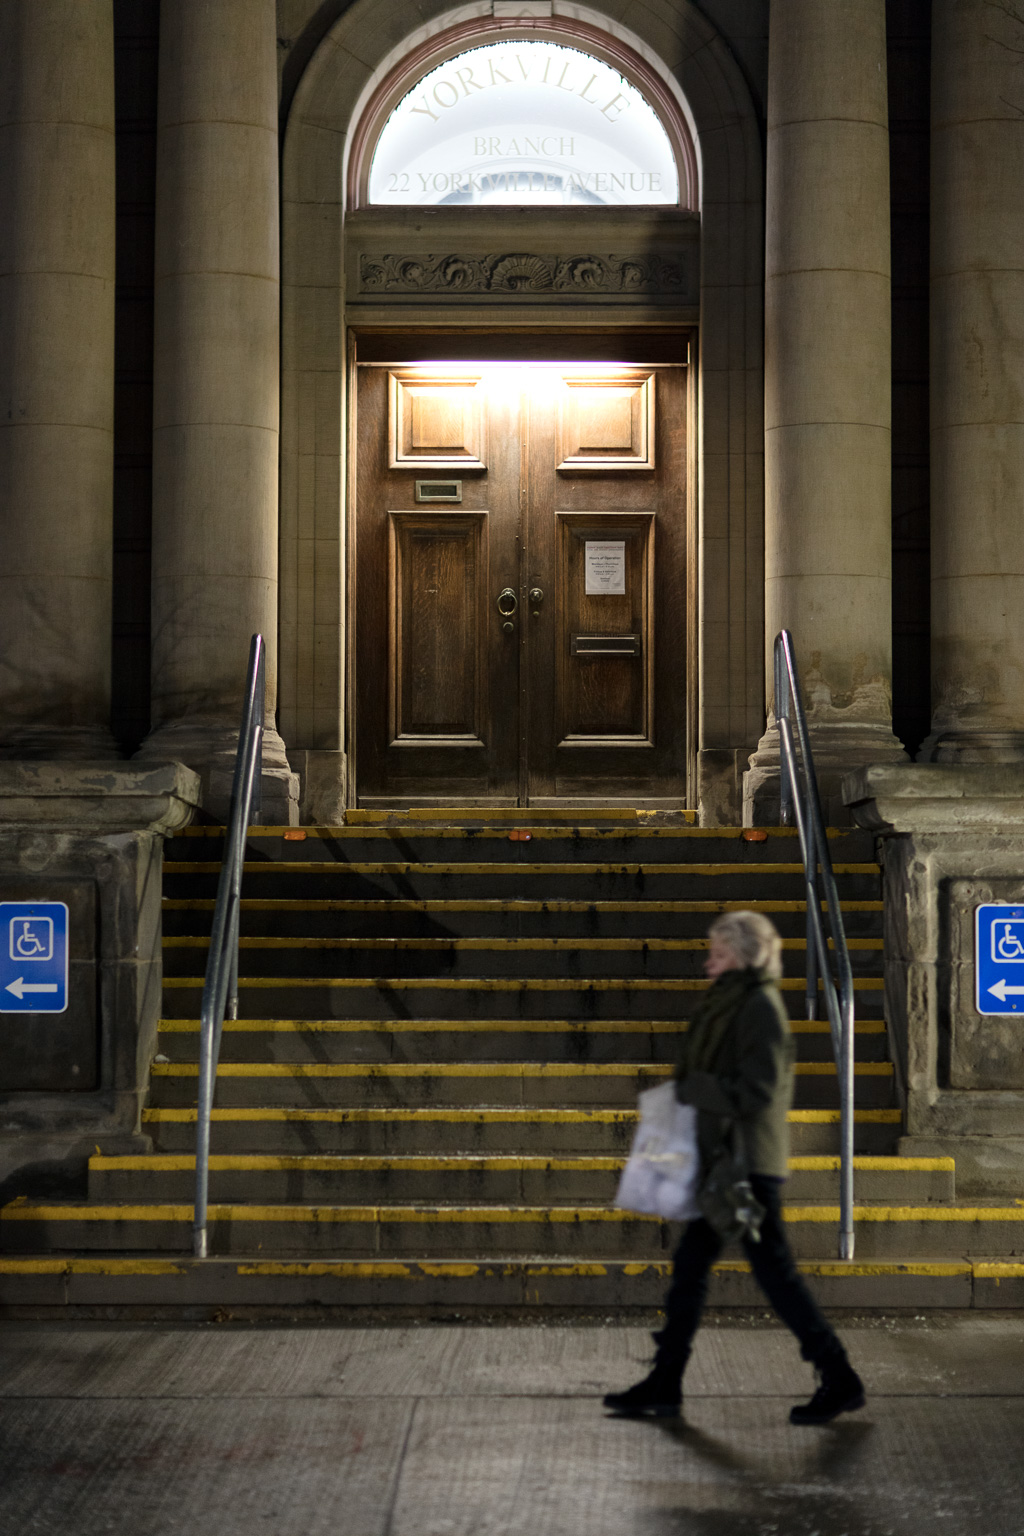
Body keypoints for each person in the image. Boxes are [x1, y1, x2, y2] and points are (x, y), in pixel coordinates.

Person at [603, 909, 865, 1426]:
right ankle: (666, 1380)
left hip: (745, 1167)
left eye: (719, 954)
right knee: (692, 1271)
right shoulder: (733, 1002)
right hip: (723, 1162)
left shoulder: (759, 1008)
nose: (708, 964)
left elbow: (759, 1091)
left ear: (743, 956)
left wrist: (694, 1089)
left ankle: (838, 1376)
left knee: (773, 1276)